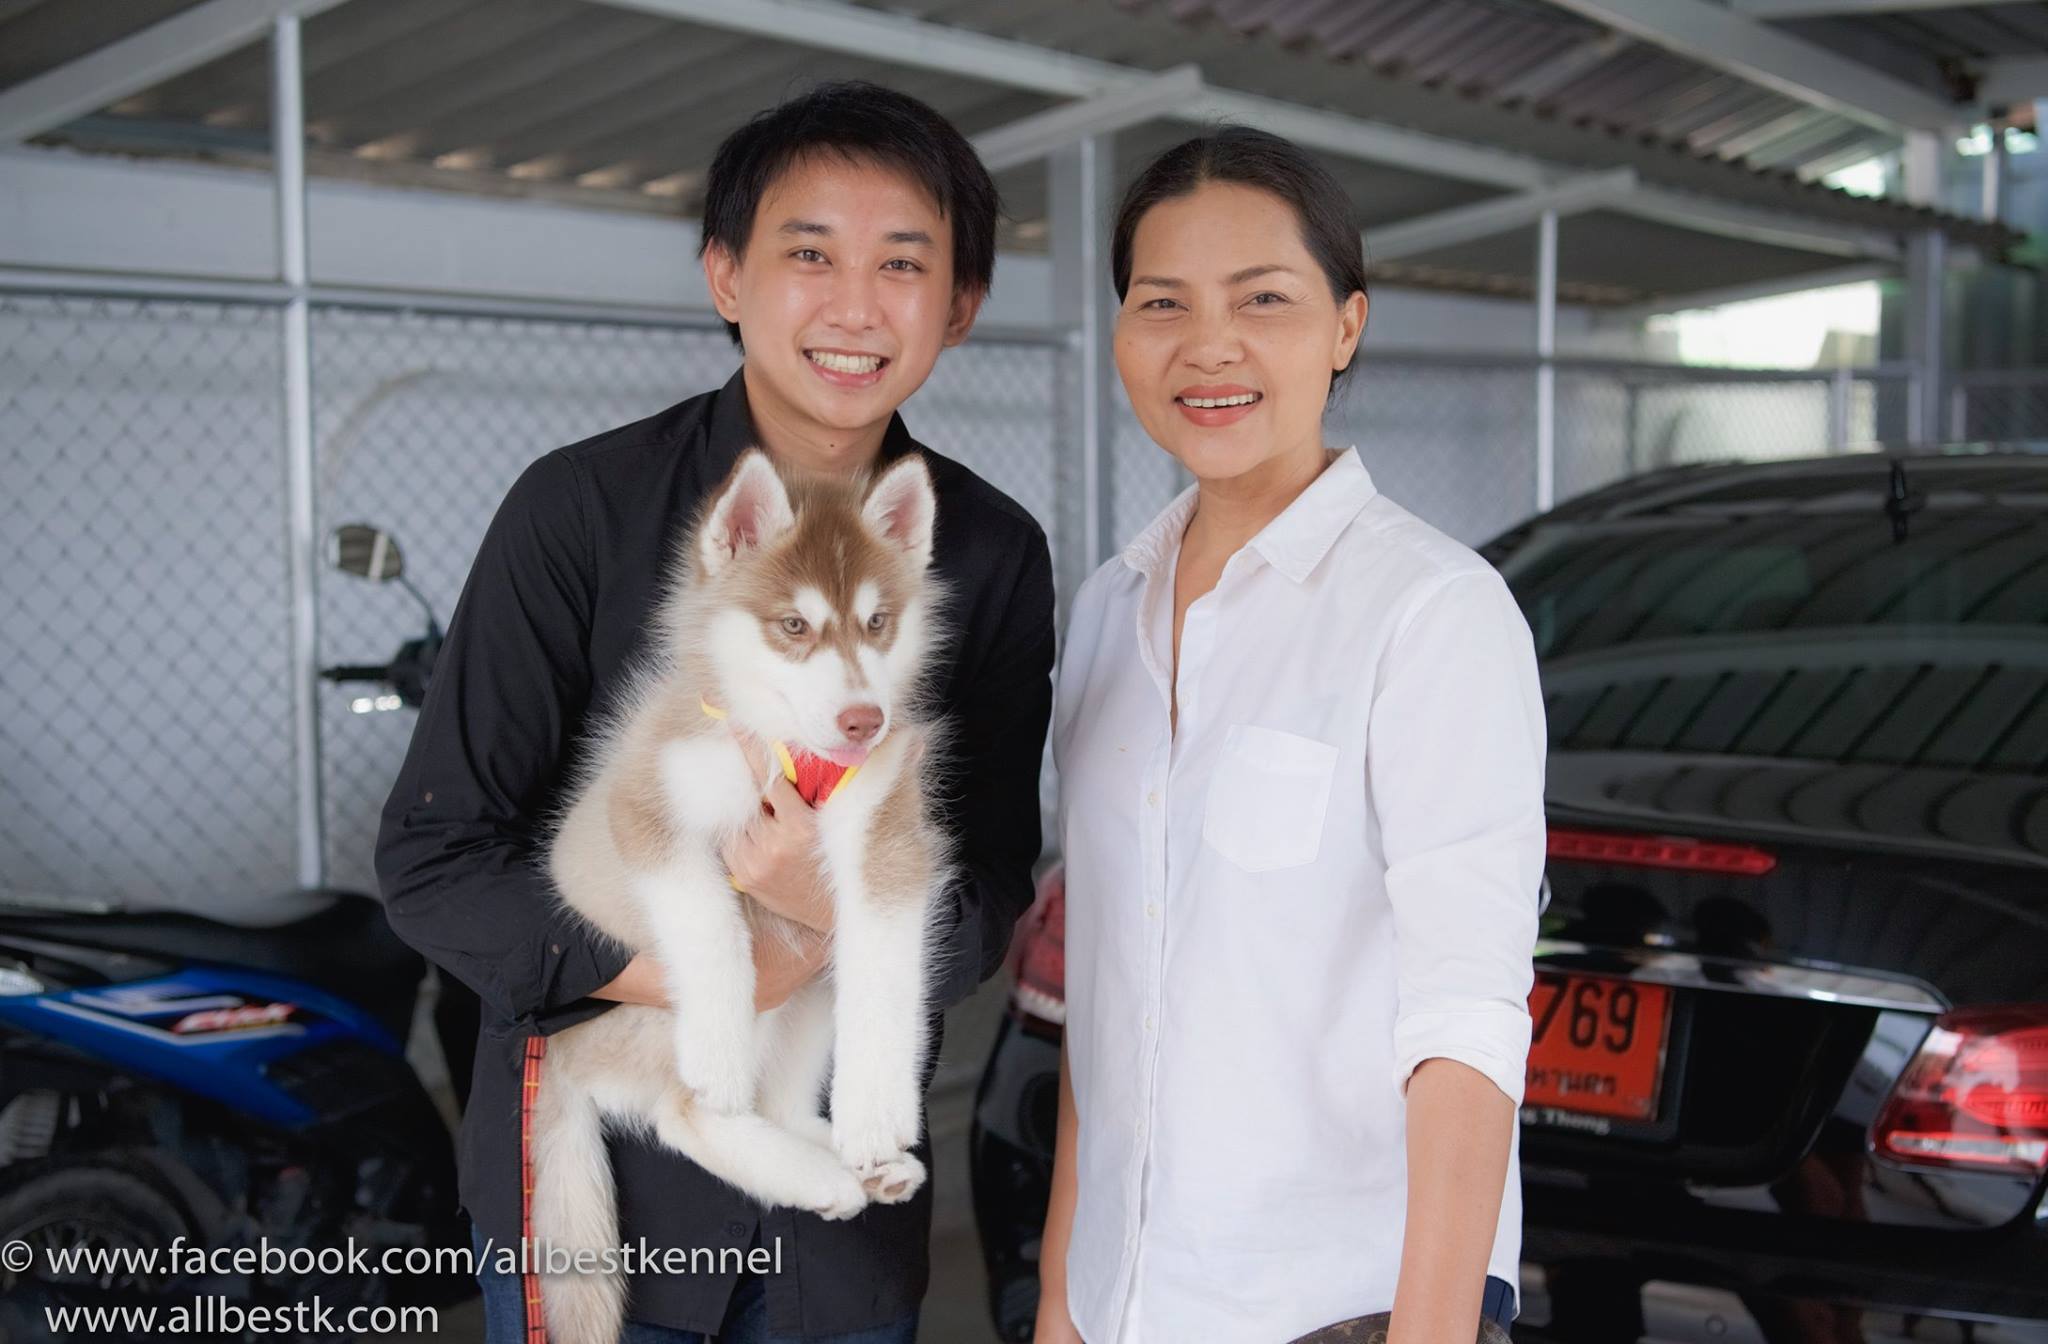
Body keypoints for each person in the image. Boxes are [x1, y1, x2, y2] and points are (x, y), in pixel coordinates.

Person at [374, 81, 1056, 1344]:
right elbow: (435, 857)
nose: (855, 307)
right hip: (605, 1187)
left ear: (959, 305)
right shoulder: (578, 509)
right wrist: (724, 981)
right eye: (810, 254)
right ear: (727, 276)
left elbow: (981, 908)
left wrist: (816, 907)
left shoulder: (989, 551)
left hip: (838, 1235)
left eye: (903, 264)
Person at [1034, 127, 1544, 1344]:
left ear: (1344, 327)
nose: (1207, 345)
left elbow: (1467, 1022)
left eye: (1261, 299)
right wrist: (1061, 1302)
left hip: (1343, 1307)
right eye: (1162, 302)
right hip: (1126, 1301)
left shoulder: (1431, 610)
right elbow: (1104, 1009)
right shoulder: (1105, 610)